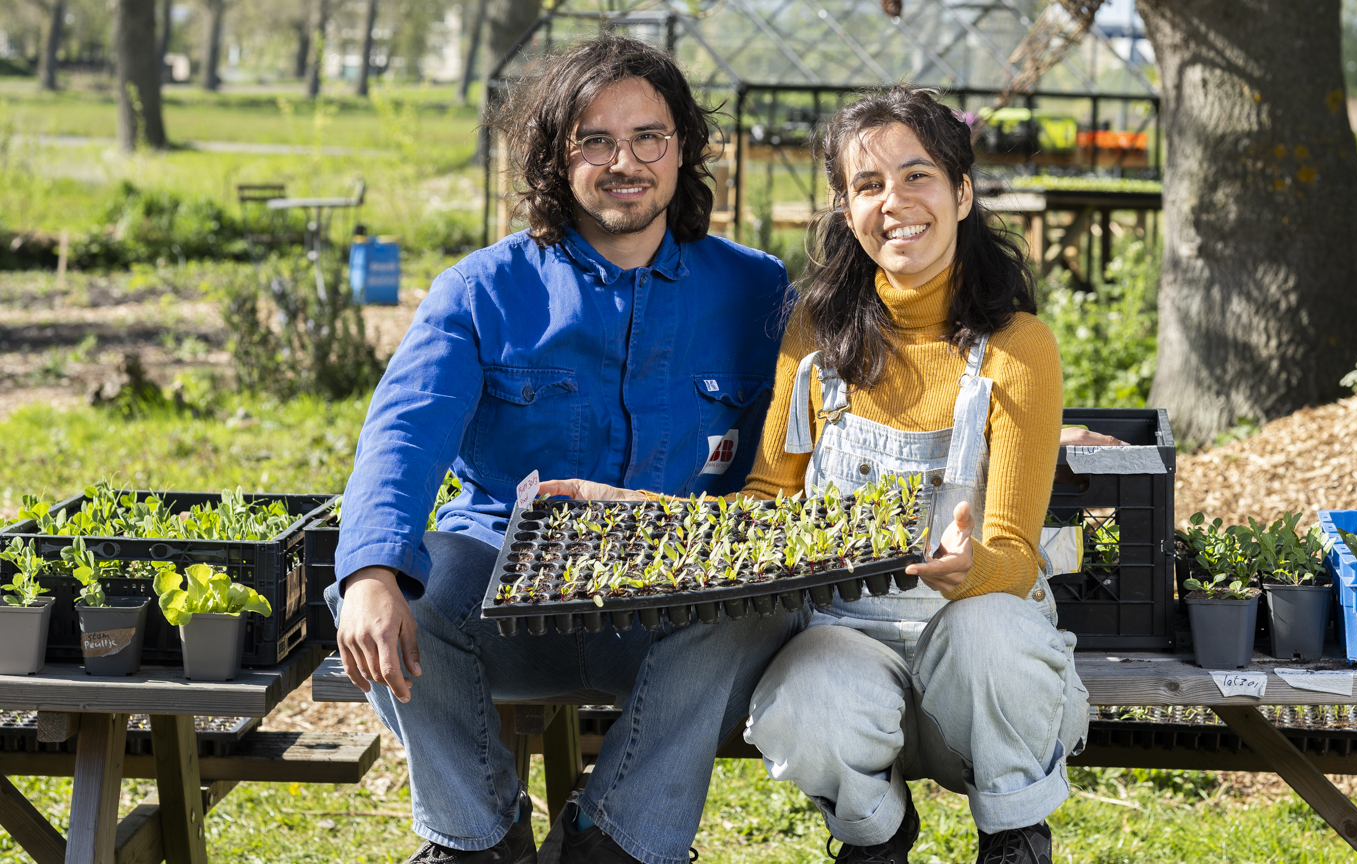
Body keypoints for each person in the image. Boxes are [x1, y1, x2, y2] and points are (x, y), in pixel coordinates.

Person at [550, 85, 1089, 864]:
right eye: (867, 185)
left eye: (916, 176)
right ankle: (874, 836)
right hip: (848, 634)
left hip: (976, 665)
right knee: (807, 701)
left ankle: (1012, 834)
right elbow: (768, 504)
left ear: (962, 193)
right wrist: (634, 506)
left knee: (990, 635)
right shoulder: (815, 336)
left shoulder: (1018, 347)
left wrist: (972, 565)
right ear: (845, 207)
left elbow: (1013, 553)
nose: (894, 202)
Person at [328, 36, 805, 864]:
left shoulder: (755, 288)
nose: (625, 163)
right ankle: (478, 839)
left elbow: (828, 419)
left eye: (648, 137)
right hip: (505, 596)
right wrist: (370, 571)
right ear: (554, 155)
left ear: (682, 148)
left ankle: (610, 841)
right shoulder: (482, 289)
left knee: (762, 596)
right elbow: (403, 430)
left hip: (677, 620)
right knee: (396, 588)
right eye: (595, 141)